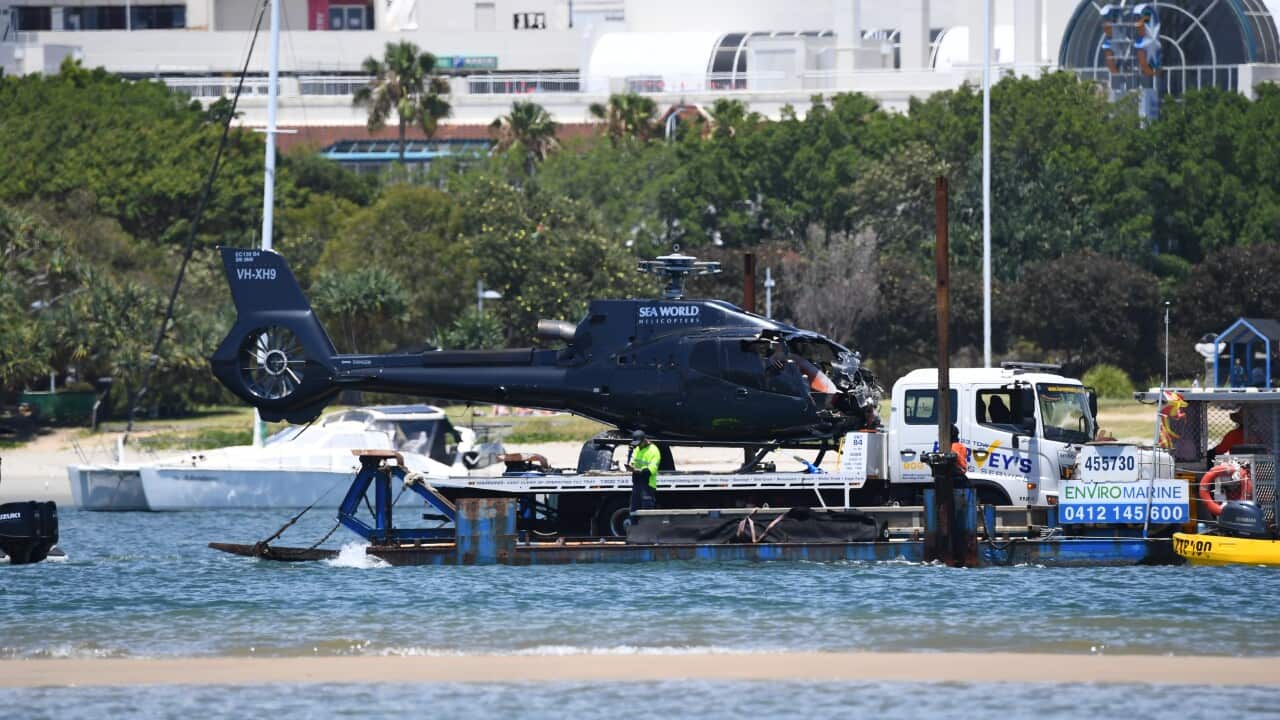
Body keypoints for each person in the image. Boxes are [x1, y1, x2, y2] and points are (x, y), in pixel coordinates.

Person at [626, 430, 660, 516]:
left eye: (639, 443)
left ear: (644, 440)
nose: (638, 446)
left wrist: (636, 470)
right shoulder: (637, 448)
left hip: (647, 485)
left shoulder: (654, 451)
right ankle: (633, 528)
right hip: (637, 484)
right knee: (633, 512)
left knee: (646, 514)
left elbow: (651, 470)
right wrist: (630, 466)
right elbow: (633, 462)